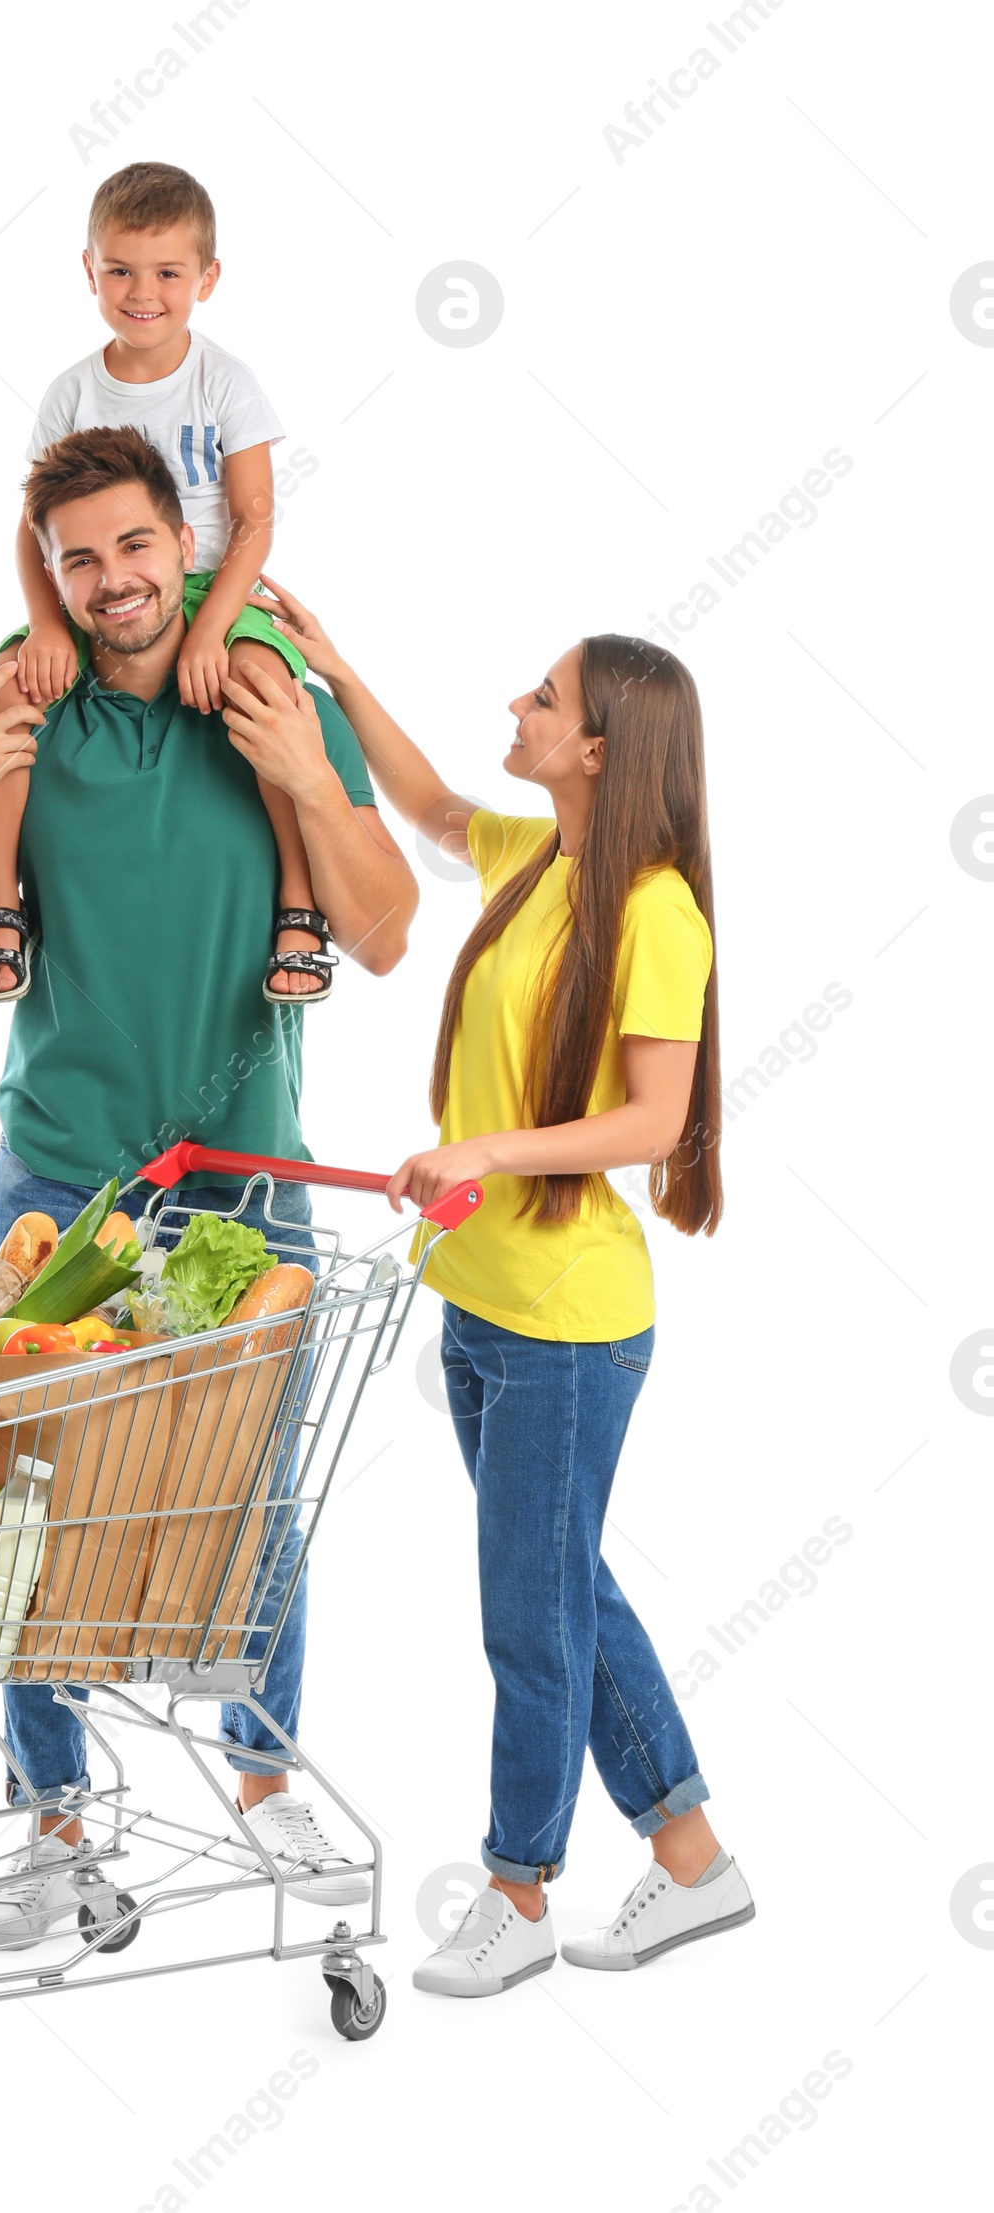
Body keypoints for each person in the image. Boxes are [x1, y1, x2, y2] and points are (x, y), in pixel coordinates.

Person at [0, 434, 419, 1947]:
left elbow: (380, 935)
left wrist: (313, 776)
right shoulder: (24, 705)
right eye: (81, 559)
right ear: (49, 570)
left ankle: (264, 1779)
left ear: (180, 540)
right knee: (32, 1508)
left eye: (135, 546)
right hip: (64, 1182)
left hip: (243, 1179)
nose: (113, 581)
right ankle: (52, 1822)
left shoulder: (260, 686)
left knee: (246, 1497)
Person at [245, 577, 755, 1998]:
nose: (517, 712)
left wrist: (491, 1146)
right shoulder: (538, 857)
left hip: (567, 1324)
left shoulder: (656, 913)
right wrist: (336, 668)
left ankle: (519, 1891)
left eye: (543, 700)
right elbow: (421, 800)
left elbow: (654, 1124)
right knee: (564, 1586)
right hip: (484, 1299)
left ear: (603, 748)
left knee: (530, 1616)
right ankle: (698, 1860)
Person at [0, 160, 336, 1008]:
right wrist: (47, 626)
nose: (144, 291)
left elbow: (254, 521)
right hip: (93, 591)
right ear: (88, 271)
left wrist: (213, 629)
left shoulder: (225, 383)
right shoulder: (71, 392)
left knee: (267, 683)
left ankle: (299, 905)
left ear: (206, 278)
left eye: (169, 272)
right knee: (3, 689)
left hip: (206, 588)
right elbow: (34, 527)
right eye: (122, 270)